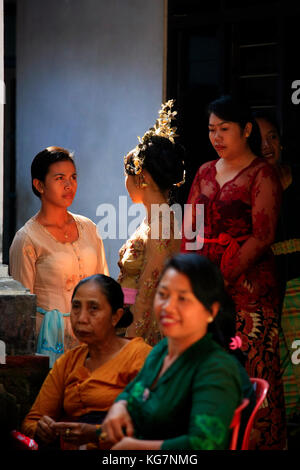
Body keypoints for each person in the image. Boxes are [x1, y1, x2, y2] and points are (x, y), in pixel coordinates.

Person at [181, 95, 285, 449]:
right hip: (207, 290)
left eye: (224, 129)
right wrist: (190, 280)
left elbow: (263, 234)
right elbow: (190, 232)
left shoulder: (262, 173)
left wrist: (223, 278)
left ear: (246, 130)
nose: (217, 138)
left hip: (250, 290)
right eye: (212, 130)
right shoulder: (204, 171)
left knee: (254, 367)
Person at [100, 253, 251, 450]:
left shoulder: (215, 368)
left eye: (183, 299)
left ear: (211, 311)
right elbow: (132, 392)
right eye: (163, 295)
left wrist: (134, 448)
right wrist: (119, 408)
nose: (168, 307)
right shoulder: (162, 351)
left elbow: (205, 445)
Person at [21, 274, 152, 450]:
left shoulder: (139, 357)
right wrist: (42, 429)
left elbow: (151, 425)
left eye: (93, 309)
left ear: (115, 317)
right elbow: (32, 420)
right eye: (76, 307)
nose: (81, 318)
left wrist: (96, 432)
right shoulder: (69, 362)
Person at [9, 146, 109, 366]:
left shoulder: (89, 228)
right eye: (59, 178)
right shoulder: (27, 239)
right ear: (39, 185)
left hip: (91, 339)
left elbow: (104, 284)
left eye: (73, 177)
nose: (69, 185)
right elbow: (21, 311)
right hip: (48, 344)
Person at [118, 100, 186, 345]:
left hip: (144, 335)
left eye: (127, 175)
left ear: (142, 178)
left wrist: (129, 342)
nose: (124, 182)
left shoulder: (161, 225)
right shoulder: (155, 219)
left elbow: (147, 291)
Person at [255, 111, 300, 422]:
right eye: (260, 140)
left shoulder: (296, 179)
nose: (268, 145)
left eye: (272, 136)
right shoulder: (250, 189)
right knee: (274, 363)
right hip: (267, 288)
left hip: (298, 282)